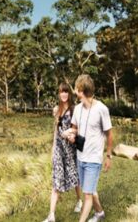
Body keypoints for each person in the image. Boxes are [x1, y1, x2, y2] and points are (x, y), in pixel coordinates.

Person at [69, 74, 113, 222]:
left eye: (76, 88)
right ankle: (99, 213)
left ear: (81, 90)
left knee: (87, 194)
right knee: (90, 189)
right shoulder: (77, 109)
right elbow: (74, 128)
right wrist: (70, 134)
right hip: (80, 157)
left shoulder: (102, 109)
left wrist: (108, 156)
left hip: (94, 159)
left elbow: (109, 134)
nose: (74, 91)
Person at [43, 82, 83, 222]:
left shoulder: (75, 109)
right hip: (59, 149)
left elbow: (79, 129)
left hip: (70, 149)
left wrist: (70, 133)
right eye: (61, 92)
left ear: (69, 93)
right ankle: (51, 215)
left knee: (75, 177)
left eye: (66, 92)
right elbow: (56, 130)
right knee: (57, 179)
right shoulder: (56, 110)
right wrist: (53, 148)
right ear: (59, 94)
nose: (64, 94)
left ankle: (79, 200)